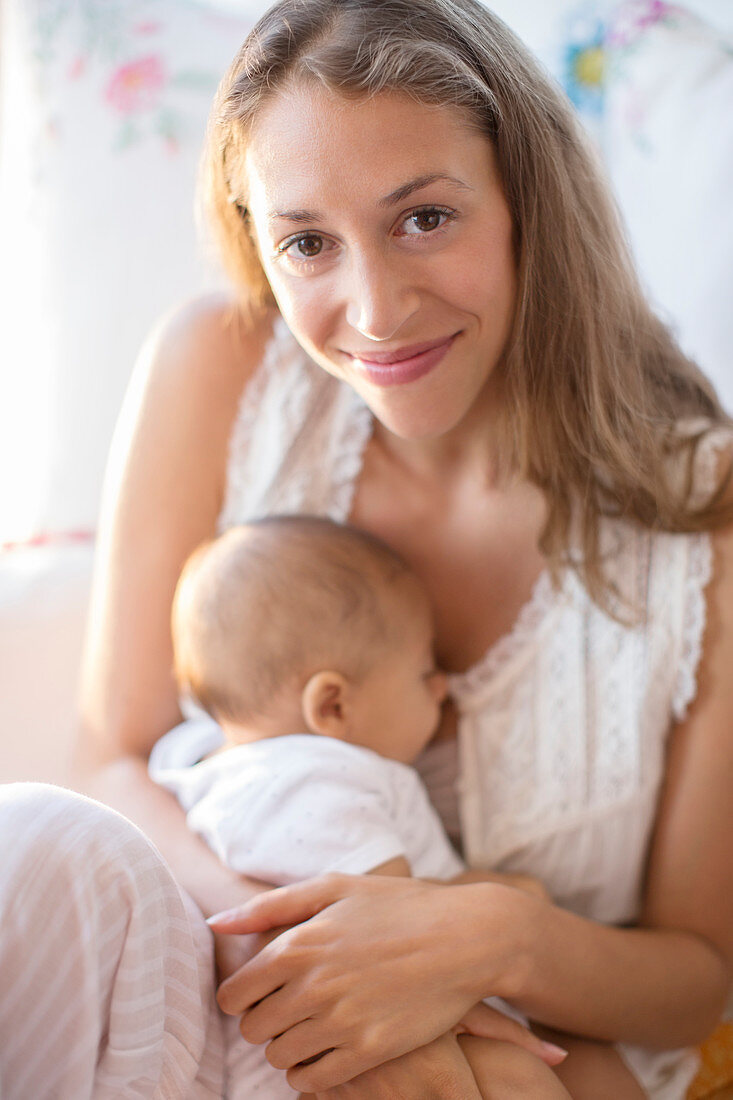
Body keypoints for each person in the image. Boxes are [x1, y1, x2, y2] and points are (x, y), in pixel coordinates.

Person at [1, 0, 731, 1096]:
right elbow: (118, 748)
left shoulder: (703, 508)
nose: (376, 310)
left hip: (533, 1060)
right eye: (307, 242)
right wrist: (292, 955)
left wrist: (479, 944)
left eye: (424, 218)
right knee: (31, 835)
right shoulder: (217, 369)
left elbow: (698, 975)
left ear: (526, 200)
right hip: (226, 981)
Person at [149, 514, 645, 1098]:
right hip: (348, 1042)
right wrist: (509, 892)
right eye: (425, 670)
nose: (442, 687)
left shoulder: (205, 762)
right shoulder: (322, 784)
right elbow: (391, 929)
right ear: (331, 705)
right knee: (526, 1079)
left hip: (290, 1035)